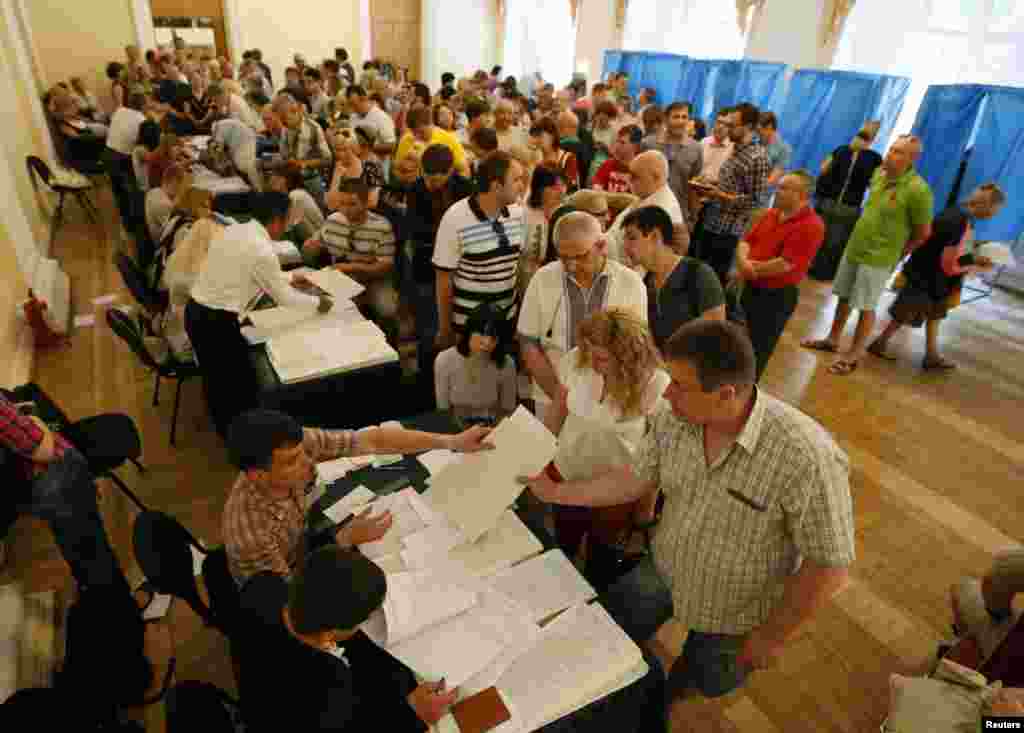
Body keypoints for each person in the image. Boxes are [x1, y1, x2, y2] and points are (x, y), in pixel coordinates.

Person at [523, 319, 855, 700]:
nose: (666, 395)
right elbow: (633, 479)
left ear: (725, 394)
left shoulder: (807, 457)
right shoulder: (673, 418)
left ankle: (669, 697)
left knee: (705, 680)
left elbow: (829, 564)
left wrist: (771, 637)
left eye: (679, 386)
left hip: (736, 609)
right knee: (609, 632)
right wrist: (555, 493)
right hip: (665, 570)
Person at [222, 409, 493, 586]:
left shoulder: (293, 444)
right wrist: (342, 540)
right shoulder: (251, 533)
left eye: (304, 451)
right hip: (286, 580)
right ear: (258, 475)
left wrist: (452, 442)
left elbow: (373, 440)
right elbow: (290, 599)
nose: (308, 461)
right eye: (292, 461)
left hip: (304, 543)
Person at [236, 546, 459, 733]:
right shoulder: (331, 686)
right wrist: (413, 713)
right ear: (330, 634)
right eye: (363, 620)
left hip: (257, 682)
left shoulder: (263, 586)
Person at [186, 192, 334, 436]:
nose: (287, 227)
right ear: (276, 220)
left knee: (217, 380)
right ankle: (239, 439)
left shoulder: (236, 230)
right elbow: (284, 298)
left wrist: (288, 276)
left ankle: (230, 430)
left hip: (197, 311)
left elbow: (247, 271)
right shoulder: (261, 250)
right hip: (216, 322)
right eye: (287, 220)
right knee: (235, 386)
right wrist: (319, 302)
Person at [542, 309, 669, 589]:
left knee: (602, 559)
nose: (592, 363)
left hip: (614, 494)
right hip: (566, 473)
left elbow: (656, 457)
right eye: (589, 352)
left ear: (628, 358)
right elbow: (556, 414)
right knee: (562, 548)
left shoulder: (657, 385)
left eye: (601, 358)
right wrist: (536, 457)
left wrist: (645, 512)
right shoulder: (578, 360)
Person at [802, 135, 933, 376]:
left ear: (912, 158)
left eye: (898, 152)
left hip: (879, 257)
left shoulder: (918, 190)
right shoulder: (878, 175)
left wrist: (898, 255)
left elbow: (923, 233)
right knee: (843, 295)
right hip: (855, 247)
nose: (890, 154)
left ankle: (853, 356)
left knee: (865, 305)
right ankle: (832, 339)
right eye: (891, 149)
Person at [517, 211, 647, 423]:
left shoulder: (630, 284)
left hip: (610, 401)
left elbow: (636, 349)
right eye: (564, 258)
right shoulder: (542, 279)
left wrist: (604, 398)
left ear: (601, 247)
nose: (571, 266)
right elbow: (529, 343)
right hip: (550, 396)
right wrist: (560, 396)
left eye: (580, 256)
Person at [0, 393, 131, 595]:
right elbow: (43, 448)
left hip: (33, 487)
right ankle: (116, 605)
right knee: (92, 555)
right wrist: (34, 420)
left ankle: (99, 596)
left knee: (81, 554)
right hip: (55, 478)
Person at [867, 183, 1004, 371]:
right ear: (986, 205)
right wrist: (976, 261)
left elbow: (950, 246)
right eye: (994, 210)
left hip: (929, 273)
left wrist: (976, 246)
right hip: (928, 275)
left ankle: (931, 356)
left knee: (935, 314)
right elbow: (949, 262)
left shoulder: (957, 212)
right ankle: (880, 343)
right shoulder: (960, 221)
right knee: (905, 312)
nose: (993, 215)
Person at [733, 171, 825, 378]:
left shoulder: (812, 226)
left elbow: (785, 264)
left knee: (756, 352)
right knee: (736, 343)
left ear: (801, 195)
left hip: (774, 297)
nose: (777, 191)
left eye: (784, 188)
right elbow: (746, 241)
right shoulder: (771, 214)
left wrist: (749, 267)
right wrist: (743, 262)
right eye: (779, 186)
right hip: (750, 287)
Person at [433, 151, 527, 349]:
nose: (522, 186)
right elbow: (443, 279)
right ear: (496, 186)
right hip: (469, 328)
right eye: (517, 179)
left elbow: (518, 270)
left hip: (506, 322)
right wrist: (445, 330)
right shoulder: (455, 218)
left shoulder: (519, 214)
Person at [404, 144, 476, 394]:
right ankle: (427, 387)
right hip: (427, 268)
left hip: (463, 270)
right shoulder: (414, 190)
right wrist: (447, 236)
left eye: (438, 179)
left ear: (450, 173)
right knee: (428, 331)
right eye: (427, 178)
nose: (431, 184)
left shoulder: (466, 188)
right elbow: (414, 229)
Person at [622, 205, 724, 350]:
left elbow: (715, 331)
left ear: (655, 236)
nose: (625, 246)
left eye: (632, 238)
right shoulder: (642, 284)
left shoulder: (699, 273)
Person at [304, 179, 400, 328]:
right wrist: (311, 246)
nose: (346, 210)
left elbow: (385, 267)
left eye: (352, 204)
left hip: (373, 279)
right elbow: (314, 245)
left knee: (387, 309)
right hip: (340, 278)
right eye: (342, 204)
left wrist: (350, 268)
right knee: (317, 306)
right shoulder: (333, 221)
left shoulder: (381, 225)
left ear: (365, 202)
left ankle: (388, 344)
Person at [695, 103, 771, 284]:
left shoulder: (757, 157)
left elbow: (755, 200)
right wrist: (709, 184)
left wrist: (719, 195)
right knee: (699, 275)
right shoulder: (736, 149)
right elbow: (732, 185)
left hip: (728, 231)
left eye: (732, 125)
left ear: (749, 127)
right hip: (712, 220)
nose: (727, 129)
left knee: (713, 281)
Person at [810, 121, 884, 281]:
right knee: (819, 237)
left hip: (849, 207)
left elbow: (877, 181)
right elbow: (823, 169)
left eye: (869, 135)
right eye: (862, 133)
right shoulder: (841, 150)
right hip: (828, 202)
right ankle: (811, 267)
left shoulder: (874, 158)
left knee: (836, 242)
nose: (862, 138)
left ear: (873, 140)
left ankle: (827, 273)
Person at [435, 303, 518, 425]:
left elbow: (507, 412)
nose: (487, 343)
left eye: (494, 337)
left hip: (492, 431)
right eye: (482, 334)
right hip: (455, 433)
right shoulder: (444, 361)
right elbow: (443, 412)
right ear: (470, 331)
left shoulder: (507, 364)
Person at [606, 150, 689, 266]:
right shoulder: (647, 194)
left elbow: (641, 265)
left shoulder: (661, 210)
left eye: (635, 176)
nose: (629, 181)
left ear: (656, 178)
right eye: (629, 175)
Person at [104, 91, 149, 241]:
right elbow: (143, 144)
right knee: (133, 192)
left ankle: (127, 225)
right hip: (123, 158)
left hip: (108, 153)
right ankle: (136, 229)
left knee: (119, 192)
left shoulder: (120, 110)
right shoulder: (141, 119)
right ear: (143, 105)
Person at [647, 102, 704, 220]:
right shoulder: (649, 143)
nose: (681, 121)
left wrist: (693, 217)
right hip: (648, 209)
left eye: (684, 117)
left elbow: (693, 186)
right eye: (676, 117)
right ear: (666, 119)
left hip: (678, 213)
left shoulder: (696, 148)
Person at [522, 165, 569, 291]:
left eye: (563, 185)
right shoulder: (526, 216)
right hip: (529, 282)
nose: (561, 191)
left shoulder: (565, 213)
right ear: (539, 189)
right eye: (554, 187)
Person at [396, 105, 470, 178]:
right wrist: (404, 173)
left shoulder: (447, 139)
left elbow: (464, 170)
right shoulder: (406, 139)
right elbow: (397, 171)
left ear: (431, 124)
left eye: (421, 132)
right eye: (413, 133)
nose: (417, 136)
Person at [325, 127, 385, 210]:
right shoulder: (335, 167)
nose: (340, 154)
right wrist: (337, 176)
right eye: (337, 150)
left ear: (355, 148)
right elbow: (330, 205)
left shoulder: (370, 167)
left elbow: (372, 202)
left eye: (344, 149)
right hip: (339, 216)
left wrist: (343, 202)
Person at [347, 85, 398, 160]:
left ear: (363, 98)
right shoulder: (353, 117)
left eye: (354, 104)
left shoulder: (381, 117)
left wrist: (367, 148)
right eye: (350, 105)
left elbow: (392, 146)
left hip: (377, 164)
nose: (352, 109)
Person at [529, 117, 579, 192]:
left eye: (539, 135)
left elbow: (571, 187)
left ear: (552, 135)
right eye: (534, 136)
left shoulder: (568, 158)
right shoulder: (533, 157)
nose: (536, 140)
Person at [145, 162, 189, 244]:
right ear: (174, 182)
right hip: (163, 244)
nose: (181, 190)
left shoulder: (154, 191)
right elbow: (176, 233)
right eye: (181, 185)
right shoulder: (165, 204)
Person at [593, 125, 642, 194]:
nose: (617, 146)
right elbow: (596, 189)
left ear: (635, 147)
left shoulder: (640, 170)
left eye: (622, 143)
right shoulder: (608, 164)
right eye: (617, 141)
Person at [756, 112, 791, 207]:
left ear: (770, 128)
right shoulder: (755, 143)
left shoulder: (783, 149)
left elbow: (773, 178)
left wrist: (752, 186)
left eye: (759, 131)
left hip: (761, 198)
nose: (758, 134)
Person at [697, 107, 734, 182]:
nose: (720, 127)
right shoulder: (704, 142)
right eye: (719, 122)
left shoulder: (733, 148)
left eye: (726, 125)